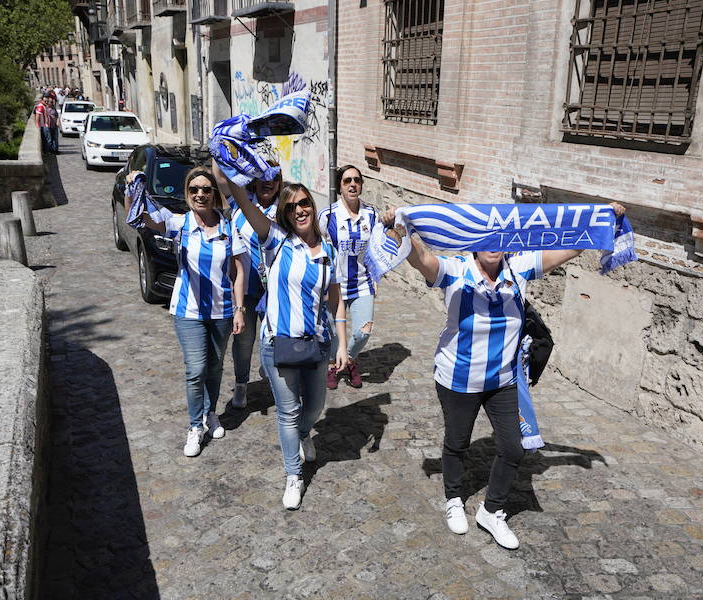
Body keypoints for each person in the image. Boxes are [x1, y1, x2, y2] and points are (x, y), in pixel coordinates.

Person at [381, 202, 625, 550]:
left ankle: (491, 511)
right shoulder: (455, 269)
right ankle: (454, 498)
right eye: (487, 235)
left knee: (513, 447)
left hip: (503, 380)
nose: (494, 242)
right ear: (474, 240)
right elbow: (421, 259)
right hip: (458, 378)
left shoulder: (519, 267)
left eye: (500, 236)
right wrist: (399, 228)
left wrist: (602, 221)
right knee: (458, 442)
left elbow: (570, 248)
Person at [226, 175, 348, 510]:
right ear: (284, 212)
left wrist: (342, 344)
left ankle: (305, 433)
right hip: (278, 341)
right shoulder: (275, 240)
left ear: (313, 206)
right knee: (288, 410)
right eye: (291, 206)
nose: (299, 210)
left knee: (313, 407)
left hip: (319, 341)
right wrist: (233, 174)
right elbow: (247, 205)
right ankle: (293, 475)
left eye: (304, 203)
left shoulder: (330, 251)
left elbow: (336, 301)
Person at [126, 167, 247, 458]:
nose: (200, 194)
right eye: (194, 190)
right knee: (196, 370)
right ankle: (195, 426)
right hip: (188, 310)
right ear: (187, 194)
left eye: (206, 189)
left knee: (215, 368)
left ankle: (210, 413)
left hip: (222, 311)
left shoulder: (229, 228)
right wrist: (133, 189)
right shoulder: (179, 223)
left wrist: (240, 309)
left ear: (214, 194)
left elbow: (239, 270)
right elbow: (139, 219)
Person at [211, 161, 283, 409]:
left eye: (274, 177)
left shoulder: (284, 209)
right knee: (244, 339)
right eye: (263, 176)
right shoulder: (241, 202)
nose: (268, 181)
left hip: (275, 290)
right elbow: (220, 177)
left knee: (275, 337)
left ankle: (273, 374)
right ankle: (241, 384)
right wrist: (220, 147)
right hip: (247, 289)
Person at [318, 165, 378, 389]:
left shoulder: (372, 215)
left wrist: (377, 278)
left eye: (357, 180)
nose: (352, 184)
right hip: (335, 285)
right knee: (334, 333)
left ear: (361, 185)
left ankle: (347, 361)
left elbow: (377, 250)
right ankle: (334, 364)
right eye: (347, 181)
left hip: (363, 282)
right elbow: (318, 248)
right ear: (340, 187)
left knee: (364, 331)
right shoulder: (328, 215)